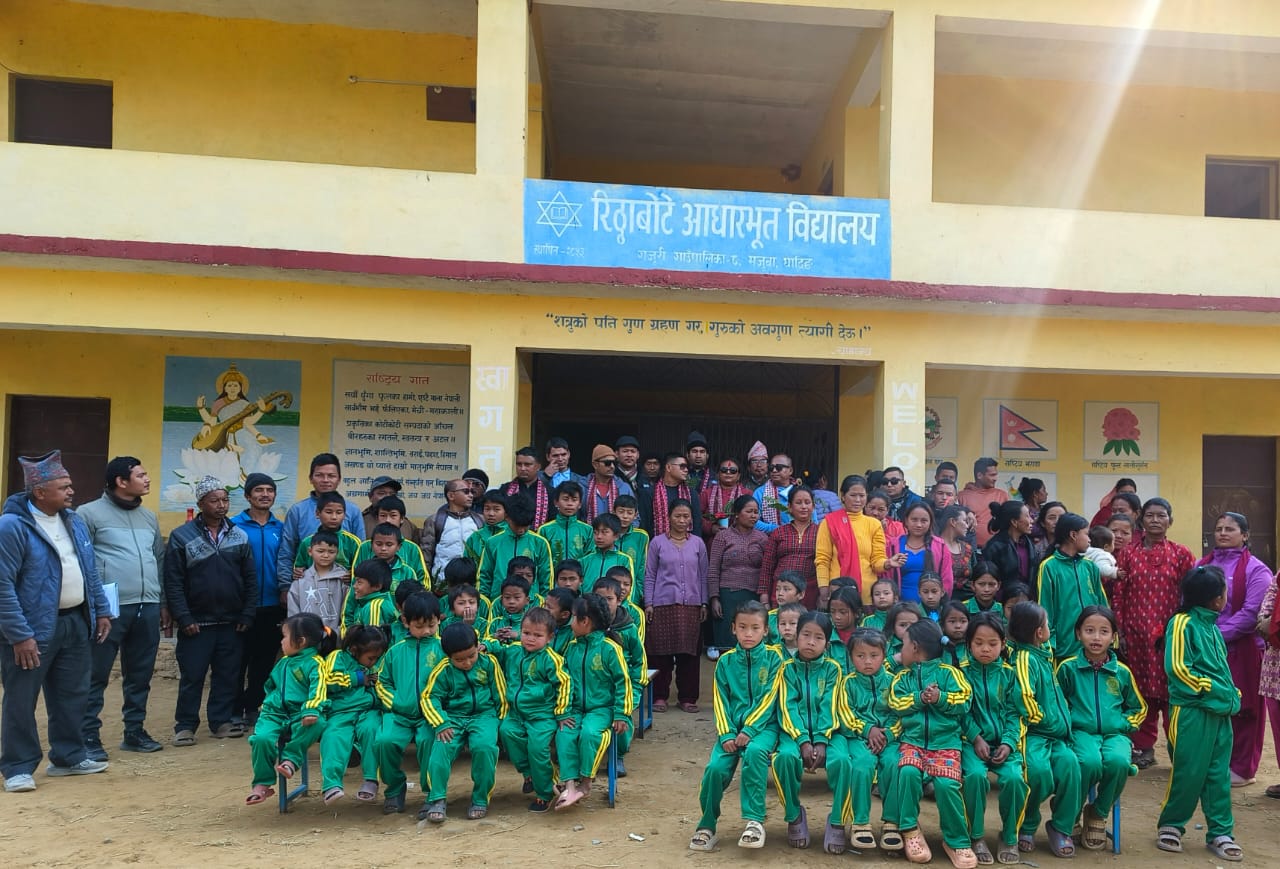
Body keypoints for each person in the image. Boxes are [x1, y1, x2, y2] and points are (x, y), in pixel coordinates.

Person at [0, 451, 112, 793]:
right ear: (39, 492)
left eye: (70, 485)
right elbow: (2, 585)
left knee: (72, 694)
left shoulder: (73, 520)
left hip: (75, 621)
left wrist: (101, 610)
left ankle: (68, 756)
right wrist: (19, 635)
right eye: (63, 487)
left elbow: (89, 570)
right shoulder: (12, 527)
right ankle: (18, 767)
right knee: (21, 699)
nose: (71, 491)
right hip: (31, 630)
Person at [79, 456, 167, 759]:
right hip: (108, 609)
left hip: (147, 605)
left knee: (140, 674)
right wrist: (94, 605)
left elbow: (158, 559)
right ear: (121, 481)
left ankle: (134, 732)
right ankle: (88, 736)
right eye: (141, 475)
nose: (147, 479)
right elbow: (83, 562)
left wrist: (162, 602)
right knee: (96, 674)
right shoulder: (88, 514)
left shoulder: (149, 517)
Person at [1156, 565, 1244, 861]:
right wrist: (1214, 691)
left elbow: (1222, 669)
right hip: (1192, 712)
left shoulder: (1213, 628)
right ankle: (1171, 825)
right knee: (1189, 771)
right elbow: (1178, 668)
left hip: (1219, 714)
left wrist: (1231, 695)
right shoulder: (1182, 623)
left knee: (1218, 774)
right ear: (1216, 599)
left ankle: (1221, 832)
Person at [165, 476, 257, 746]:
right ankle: (185, 726)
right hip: (196, 623)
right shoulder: (182, 536)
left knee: (227, 676)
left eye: (225, 500)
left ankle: (221, 722)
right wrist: (184, 617)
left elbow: (250, 580)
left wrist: (247, 613)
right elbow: (173, 582)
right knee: (192, 676)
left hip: (232, 623)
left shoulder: (239, 535)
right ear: (201, 503)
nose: (221, 505)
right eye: (214, 500)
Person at [689, 601, 782, 851]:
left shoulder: (775, 659)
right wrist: (727, 733)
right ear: (733, 629)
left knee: (755, 754)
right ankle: (707, 825)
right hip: (730, 730)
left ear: (765, 630)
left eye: (755, 628)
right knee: (715, 769)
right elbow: (720, 701)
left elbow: (770, 698)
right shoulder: (725, 662)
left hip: (764, 728)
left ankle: (754, 822)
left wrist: (749, 730)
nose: (748, 633)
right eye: (742, 627)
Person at [1113, 497, 1194, 769]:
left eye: (1161, 515)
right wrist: (1121, 631)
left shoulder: (1181, 554)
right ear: (1141, 520)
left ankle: (1178, 749)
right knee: (1141, 692)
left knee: (1173, 690)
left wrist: (1184, 632)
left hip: (1170, 637)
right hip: (1135, 637)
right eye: (1150, 515)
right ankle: (1143, 748)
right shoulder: (1128, 554)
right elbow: (1119, 595)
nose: (1155, 520)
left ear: (1170, 520)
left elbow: (1191, 594)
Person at [887, 619, 976, 868]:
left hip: (945, 742)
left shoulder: (949, 673)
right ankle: (910, 830)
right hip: (913, 741)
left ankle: (957, 840)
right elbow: (895, 702)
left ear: (915, 647)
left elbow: (964, 701)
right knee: (908, 773)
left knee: (947, 785)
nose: (901, 651)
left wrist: (940, 697)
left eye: (904, 645)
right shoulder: (902, 677)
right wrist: (919, 698)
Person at [1057, 606, 1146, 850]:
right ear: (1078, 634)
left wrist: (1124, 724)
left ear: (1113, 637)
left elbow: (1138, 707)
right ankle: (1071, 811)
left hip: (1115, 734)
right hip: (1080, 733)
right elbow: (1058, 704)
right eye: (1089, 630)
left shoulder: (1122, 672)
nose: (1096, 637)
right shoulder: (1067, 669)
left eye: (1104, 632)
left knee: (1119, 762)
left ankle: (1097, 812)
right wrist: (1068, 725)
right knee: (1088, 762)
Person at [1197, 512, 1270, 785]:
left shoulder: (1256, 570)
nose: (1223, 533)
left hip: (1242, 649)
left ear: (1245, 535)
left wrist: (1213, 635)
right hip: (1205, 648)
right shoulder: (1201, 565)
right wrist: (1197, 635)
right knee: (1209, 705)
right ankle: (1215, 763)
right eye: (1219, 528)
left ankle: (1241, 768)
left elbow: (1251, 615)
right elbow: (1188, 601)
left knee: (1244, 709)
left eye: (1230, 529)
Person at [1007, 601, 1081, 858]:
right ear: (1039, 632)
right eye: (1047, 624)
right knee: (1038, 773)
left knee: (1071, 767)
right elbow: (1025, 697)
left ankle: (1061, 827)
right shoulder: (1024, 659)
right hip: (1035, 734)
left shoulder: (1043, 652)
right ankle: (1027, 824)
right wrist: (1045, 721)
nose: (1050, 628)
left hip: (1058, 735)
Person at [772, 611, 848, 852]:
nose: (810, 642)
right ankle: (794, 815)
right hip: (793, 733)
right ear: (797, 636)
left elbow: (831, 705)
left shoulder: (833, 669)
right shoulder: (786, 669)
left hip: (831, 733)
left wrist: (822, 741)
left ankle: (837, 821)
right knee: (784, 758)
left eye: (818, 637)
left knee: (843, 761)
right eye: (805, 635)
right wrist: (804, 740)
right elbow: (787, 707)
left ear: (827, 643)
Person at [420, 623, 507, 822]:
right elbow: (429, 697)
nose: (467, 663)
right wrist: (441, 722)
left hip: (484, 715)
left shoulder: (489, 663)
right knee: (441, 747)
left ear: (478, 647)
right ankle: (437, 798)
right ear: (448, 656)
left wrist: (500, 722)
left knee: (485, 748)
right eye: (459, 660)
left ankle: (480, 799)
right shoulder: (443, 670)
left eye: (471, 656)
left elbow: (500, 694)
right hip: (453, 717)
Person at [243, 612, 333, 805]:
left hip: (301, 714)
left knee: (317, 723)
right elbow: (271, 685)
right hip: (274, 714)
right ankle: (262, 783)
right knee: (261, 738)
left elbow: (318, 690)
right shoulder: (283, 662)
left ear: (300, 641)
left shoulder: (315, 663)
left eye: (285, 637)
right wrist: (267, 703)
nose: (281, 641)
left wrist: (311, 710)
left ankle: (291, 760)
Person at [958, 613, 1026, 865]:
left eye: (992, 643)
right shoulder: (961, 673)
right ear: (969, 645)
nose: (985, 649)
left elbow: (1015, 712)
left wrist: (1008, 742)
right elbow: (961, 712)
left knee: (1015, 779)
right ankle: (976, 835)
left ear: (1003, 644)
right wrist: (975, 737)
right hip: (971, 743)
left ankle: (1009, 836)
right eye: (978, 643)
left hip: (1004, 745)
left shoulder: (1010, 674)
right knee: (975, 777)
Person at [554, 593, 632, 811]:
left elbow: (623, 682)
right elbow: (564, 682)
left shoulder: (609, 648)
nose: (570, 622)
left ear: (585, 621)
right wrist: (563, 711)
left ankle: (586, 784)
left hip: (602, 709)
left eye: (574, 617)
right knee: (565, 733)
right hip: (576, 709)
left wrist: (621, 714)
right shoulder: (572, 647)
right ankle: (570, 784)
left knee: (589, 734)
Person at [373, 591, 444, 814]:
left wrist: (439, 709)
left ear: (439, 620)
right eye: (419, 626)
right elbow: (382, 682)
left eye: (431, 625)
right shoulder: (395, 651)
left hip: (431, 716)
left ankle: (433, 795)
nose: (426, 631)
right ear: (405, 622)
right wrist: (396, 702)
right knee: (384, 741)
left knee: (429, 741)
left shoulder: (444, 649)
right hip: (398, 714)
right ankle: (395, 789)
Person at [497, 607, 572, 813]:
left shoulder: (551, 659)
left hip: (542, 715)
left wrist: (562, 712)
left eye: (537, 635)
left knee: (537, 750)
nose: (530, 639)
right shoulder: (514, 651)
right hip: (516, 714)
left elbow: (565, 683)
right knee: (506, 732)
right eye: (526, 633)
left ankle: (544, 793)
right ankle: (528, 773)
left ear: (549, 638)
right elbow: (498, 648)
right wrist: (487, 645)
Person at [838, 628, 902, 853]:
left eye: (874, 655)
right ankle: (860, 822)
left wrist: (888, 734)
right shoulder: (847, 683)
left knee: (894, 764)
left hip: (889, 738)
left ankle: (892, 822)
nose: (867, 661)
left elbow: (901, 712)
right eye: (860, 655)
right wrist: (867, 730)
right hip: (859, 738)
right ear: (851, 657)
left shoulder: (894, 681)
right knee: (862, 766)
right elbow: (845, 714)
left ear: (884, 655)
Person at [229, 471, 284, 730]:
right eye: (259, 490)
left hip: (272, 605)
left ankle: (254, 708)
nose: (265, 495)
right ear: (247, 495)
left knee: (263, 662)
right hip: (240, 606)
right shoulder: (233, 526)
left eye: (269, 490)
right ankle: (233, 711)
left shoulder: (280, 528)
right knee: (237, 661)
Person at [644, 499, 708, 712]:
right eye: (677, 516)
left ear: (691, 519)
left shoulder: (698, 543)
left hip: (691, 606)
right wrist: (649, 603)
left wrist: (704, 602)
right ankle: (659, 696)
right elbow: (650, 574)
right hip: (662, 605)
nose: (682, 520)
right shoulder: (657, 543)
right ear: (669, 517)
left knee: (689, 655)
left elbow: (703, 575)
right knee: (659, 653)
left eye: (686, 516)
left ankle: (687, 698)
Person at [277, 454, 364, 598]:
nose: (325, 480)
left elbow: (362, 554)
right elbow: (287, 551)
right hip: (308, 590)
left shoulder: (353, 510)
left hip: (345, 590)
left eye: (331, 476)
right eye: (319, 475)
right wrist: (285, 587)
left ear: (339, 479)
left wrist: (354, 574)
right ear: (311, 478)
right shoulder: (297, 511)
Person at [318, 624, 386, 805]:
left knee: (372, 730)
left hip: (368, 711)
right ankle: (331, 785)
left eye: (377, 658)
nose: (373, 662)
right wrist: (358, 678)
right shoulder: (337, 657)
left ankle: (371, 780)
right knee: (333, 736)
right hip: (340, 712)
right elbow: (327, 680)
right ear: (355, 649)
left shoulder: (375, 665)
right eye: (371, 658)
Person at [1037, 512, 1108, 662]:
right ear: (1073, 535)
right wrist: (1049, 645)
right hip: (1064, 648)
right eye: (1086, 534)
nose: (1089, 540)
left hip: (1093, 645)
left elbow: (1102, 603)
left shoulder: (1089, 566)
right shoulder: (1049, 566)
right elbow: (1045, 607)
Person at [708, 495, 767, 661]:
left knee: (751, 643)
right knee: (728, 647)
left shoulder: (762, 538)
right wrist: (714, 598)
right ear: (737, 514)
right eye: (749, 511)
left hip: (753, 597)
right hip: (727, 597)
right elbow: (713, 568)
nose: (754, 516)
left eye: (756, 512)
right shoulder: (723, 536)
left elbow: (767, 570)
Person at [815, 475, 889, 607]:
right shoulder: (829, 522)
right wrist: (824, 589)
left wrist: (888, 563)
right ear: (843, 496)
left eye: (862, 495)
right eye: (853, 495)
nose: (858, 500)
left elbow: (877, 561)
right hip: (838, 591)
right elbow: (822, 559)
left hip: (866, 593)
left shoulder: (874, 524)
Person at [476, 494, 553, 601]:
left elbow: (546, 578)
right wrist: (484, 602)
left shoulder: (540, 543)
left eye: (525, 525)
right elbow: (484, 575)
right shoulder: (493, 542)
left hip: (531, 603)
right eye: (517, 525)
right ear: (507, 517)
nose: (521, 530)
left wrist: (543, 603)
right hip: (499, 602)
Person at [760, 487, 819, 609]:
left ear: (813, 507)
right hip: (781, 591)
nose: (803, 507)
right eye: (798, 503)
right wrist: (764, 596)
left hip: (810, 590)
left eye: (807, 502)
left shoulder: (821, 532)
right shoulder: (778, 532)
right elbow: (767, 566)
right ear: (790, 507)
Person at [886, 502, 954, 602]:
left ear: (930, 522)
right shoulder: (893, 545)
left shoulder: (940, 546)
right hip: (899, 607)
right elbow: (886, 577)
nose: (918, 525)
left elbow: (947, 580)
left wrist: (942, 603)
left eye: (924, 521)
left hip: (931, 607)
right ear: (906, 521)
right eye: (914, 520)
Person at [287, 530, 348, 632]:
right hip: (306, 636)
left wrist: (337, 634)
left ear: (337, 552)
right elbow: (293, 614)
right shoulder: (300, 581)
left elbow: (347, 612)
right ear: (310, 551)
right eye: (320, 551)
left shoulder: (343, 579)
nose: (325, 555)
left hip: (335, 636)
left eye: (331, 552)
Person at [420, 479, 481, 580]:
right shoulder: (435, 520)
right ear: (451, 496)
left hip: (472, 581)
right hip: (442, 582)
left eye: (471, 492)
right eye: (466, 491)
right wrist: (426, 581)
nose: (471, 495)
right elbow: (426, 554)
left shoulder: (479, 520)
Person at [982, 501, 1039, 596]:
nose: (1032, 520)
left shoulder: (1029, 544)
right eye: (1027, 516)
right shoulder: (995, 547)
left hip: (1027, 599)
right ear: (1014, 522)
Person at [537, 481, 593, 569]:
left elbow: (590, 558)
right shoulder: (545, 530)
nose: (570, 504)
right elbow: (541, 560)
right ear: (556, 502)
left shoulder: (588, 530)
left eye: (574, 500)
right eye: (565, 499)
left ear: (580, 504)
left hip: (579, 576)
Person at [957, 458, 1007, 548]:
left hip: (996, 550)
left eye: (996, 475)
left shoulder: (1002, 495)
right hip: (968, 549)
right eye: (992, 475)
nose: (995, 479)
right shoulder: (962, 496)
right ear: (979, 475)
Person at [699, 456, 748, 541]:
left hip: (740, 539)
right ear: (718, 474)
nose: (728, 472)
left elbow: (752, 516)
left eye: (733, 470)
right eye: (724, 470)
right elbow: (697, 516)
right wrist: (711, 528)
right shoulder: (706, 494)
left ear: (738, 476)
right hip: (712, 540)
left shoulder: (747, 494)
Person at [645, 453, 693, 537]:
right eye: (682, 466)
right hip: (656, 542)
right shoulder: (650, 492)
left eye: (686, 467)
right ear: (668, 467)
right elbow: (645, 523)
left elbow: (697, 522)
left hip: (687, 542)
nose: (686, 470)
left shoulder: (691, 493)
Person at [579, 514, 633, 589]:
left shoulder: (624, 560)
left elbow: (629, 588)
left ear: (616, 536)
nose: (599, 536)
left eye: (604, 532)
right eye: (595, 532)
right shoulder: (585, 560)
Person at [581, 444, 633, 521]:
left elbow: (635, 517)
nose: (612, 466)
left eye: (614, 463)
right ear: (595, 465)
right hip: (588, 529)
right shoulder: (582, 487)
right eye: (607, 463)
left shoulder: (624, 487)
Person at [506, 446, 553, 529]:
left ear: (538, 467)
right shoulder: (506, 489)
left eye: (527, 465)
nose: (522, 468)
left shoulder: (550, 491)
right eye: (519, 464)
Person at [362, 476, 418, 542]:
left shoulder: (408, 525)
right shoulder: (361, 522)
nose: (387, 497)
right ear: (370, 497)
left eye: (392, 494)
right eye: (382, 493)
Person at [613, 495, 648, 600]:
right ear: (613, 512)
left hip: (632, 593)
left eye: (629, 513)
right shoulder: (607, 534)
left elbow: (642, 567)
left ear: (635, 515)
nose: (625, 516)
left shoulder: (641, 536)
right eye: (621, 512)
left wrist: (639, 593)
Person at [938, 505, 975, 601]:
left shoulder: (967, 548)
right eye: (965, 521)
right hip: (942, 600)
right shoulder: (935, 547)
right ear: (953, 522)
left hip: (967, 601)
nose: (967, 526)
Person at [464, 489, 509, 566]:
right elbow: (466, 564)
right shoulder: (475, 537)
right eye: (487, 509)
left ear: (506, 512)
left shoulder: (511, 535)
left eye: (496, 509)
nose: (491, 514)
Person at [752, 454, 795, 532]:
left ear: (790, 470)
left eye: (779, 467)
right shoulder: (760, 493)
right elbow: (752, 521)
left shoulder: (801, 491)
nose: (774, 470)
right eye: (771, 468)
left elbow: (813, 520)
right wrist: (778, 530)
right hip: (770, 538)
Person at [685, 431, 712, 495]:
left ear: (707, 456)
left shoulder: (715, 477)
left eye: (702, 452)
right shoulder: (680, 475)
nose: (698, 456)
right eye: (694, 451)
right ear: (688, 455)